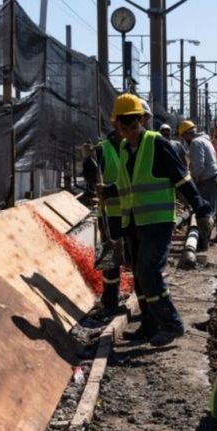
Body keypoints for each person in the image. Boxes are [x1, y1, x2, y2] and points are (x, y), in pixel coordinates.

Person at [112, 93, 213, 346]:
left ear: (142, 121)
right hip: (134, 222)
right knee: (138, 274)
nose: (129, 133)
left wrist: (199, 206)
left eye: (133, 127)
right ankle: (149, 325)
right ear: (117, 126)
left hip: (157, 221)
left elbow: (181, 178)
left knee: (149, 272)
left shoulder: (157, 144)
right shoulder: (124, 148)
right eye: (124, 128)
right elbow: (130, 185)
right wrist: (110, 194)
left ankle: (172, 324)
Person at [82, 120, 124, 322]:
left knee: (136, 259)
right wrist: (88, 164)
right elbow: (91, 177)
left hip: (136, 213)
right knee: (109, 260)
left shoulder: (136, 147)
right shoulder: (103, 150)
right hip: (110, 214)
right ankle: (110, 301)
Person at [180, 120, 217, 250]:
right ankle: (205, 241)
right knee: (209, 210)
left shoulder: (195, 142)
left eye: (183, 137)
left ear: (187, 134)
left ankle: (202, 245)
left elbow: (199, 166)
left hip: (208, 180)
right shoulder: (205, 140)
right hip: (215, 178)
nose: (183, 140)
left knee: (204, 212)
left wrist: (193, 181)